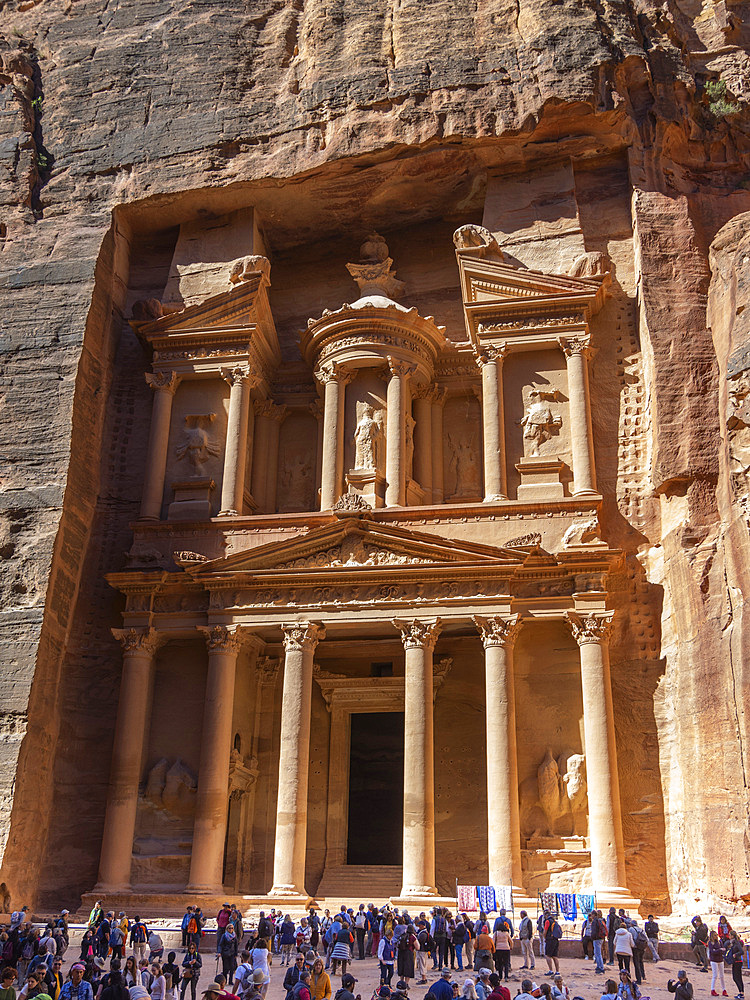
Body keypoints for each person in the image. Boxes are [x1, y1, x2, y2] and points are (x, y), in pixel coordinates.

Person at [708, 931, 728, 997]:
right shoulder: (710, 943)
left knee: (722, 976)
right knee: (715, 975)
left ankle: (724, 989)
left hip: (720, 960)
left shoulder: (719, 942)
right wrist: (719, 950)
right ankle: (712, 989)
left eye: (716, 935)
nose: (716, 936)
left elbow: (722, 949)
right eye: (715, 935)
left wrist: (720, 950)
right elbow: (712, 952)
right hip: (714, 960)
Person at [726, 932, 744, 1000]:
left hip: (738, 962)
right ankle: (741, 992)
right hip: (735, 962)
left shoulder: (737, 943)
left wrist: (735, 955)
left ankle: (741, 993)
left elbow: (742, 951)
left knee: (737, 978)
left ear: (732, 936)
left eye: (730, 935)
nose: (728, 936)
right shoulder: (733, 943)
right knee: (736, 978)